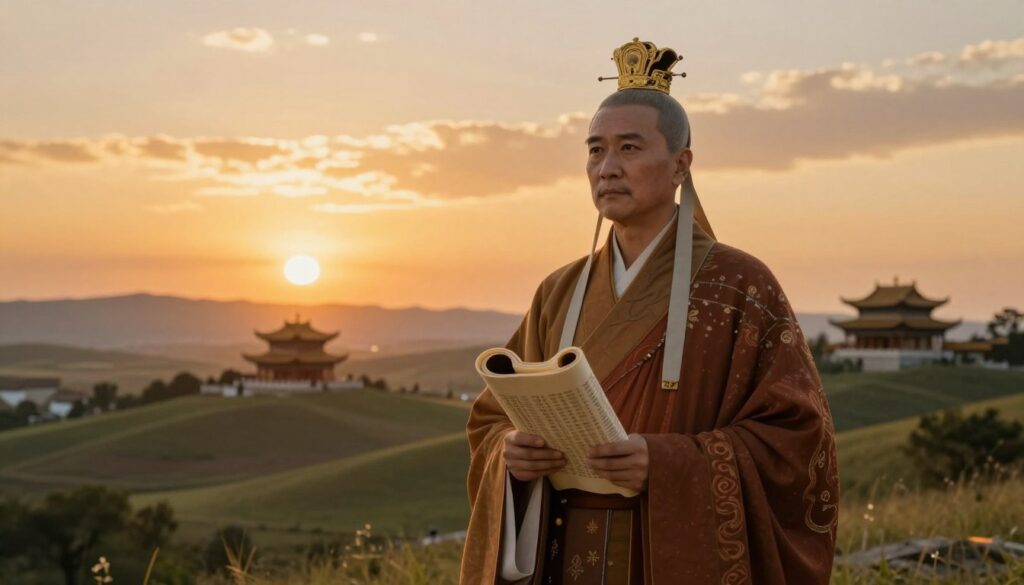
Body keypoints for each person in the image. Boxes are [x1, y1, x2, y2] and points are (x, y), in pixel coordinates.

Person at [461, 38, 839, 585]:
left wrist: (667, 464)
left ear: (681, 164)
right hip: (560, 550)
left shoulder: (740, 286)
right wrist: (510, 456)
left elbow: (798, 441)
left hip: (670, 555)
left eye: (630, 148)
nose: (607, 167)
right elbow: (491, 417)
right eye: (595, 150)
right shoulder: (559, 290)